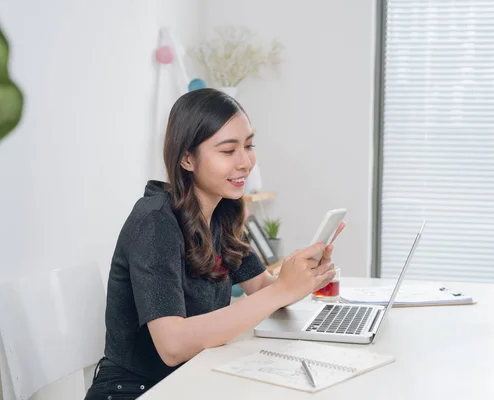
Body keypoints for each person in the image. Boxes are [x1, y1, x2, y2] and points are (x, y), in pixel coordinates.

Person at [84, 88, 340, 399]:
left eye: (249, 145)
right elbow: (173, 346)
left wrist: (300, 277)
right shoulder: (155, 221)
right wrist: (280, 290)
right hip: (138, 389)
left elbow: (262, 289)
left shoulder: (221, 212)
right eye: (228, 151)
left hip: (192, 378)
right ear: (187, 158)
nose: (246, 162)